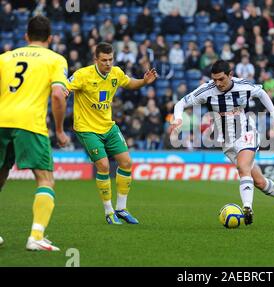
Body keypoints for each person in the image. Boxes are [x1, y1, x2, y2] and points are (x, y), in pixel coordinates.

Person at [170, 60, 274, 225]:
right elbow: (181, 103)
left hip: (247, 132)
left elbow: (261, 93)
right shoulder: (207, 90)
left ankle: (247, 208)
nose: (218, 83)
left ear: (230, 75)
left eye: (221, 79)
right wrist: (178, 118)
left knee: (242, 167)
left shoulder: (243, 86)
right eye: (215, 79)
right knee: (259, 182)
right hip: (226, 142)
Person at [0, 15, 70, 251]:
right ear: (50, 38)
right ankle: (36, 236)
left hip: (1, 121)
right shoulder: (55, 59)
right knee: (45, 180)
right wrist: (59, 130)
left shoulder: (5, 58)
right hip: (29, 123)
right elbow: (59, 95)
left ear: (26, 36)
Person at [67, 42, 158, 225]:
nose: (108, 64)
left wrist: (143, 81)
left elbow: (129, 83)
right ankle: (109, 212)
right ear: (96, 59)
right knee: (103, 165)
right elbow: (64, 87)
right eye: (104, 60)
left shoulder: (115, 72)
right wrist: (62, 93)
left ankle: (121, 209)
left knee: (126, 162)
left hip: (108, 127)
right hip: (87, 128)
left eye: (110, 59)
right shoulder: (83, 75)